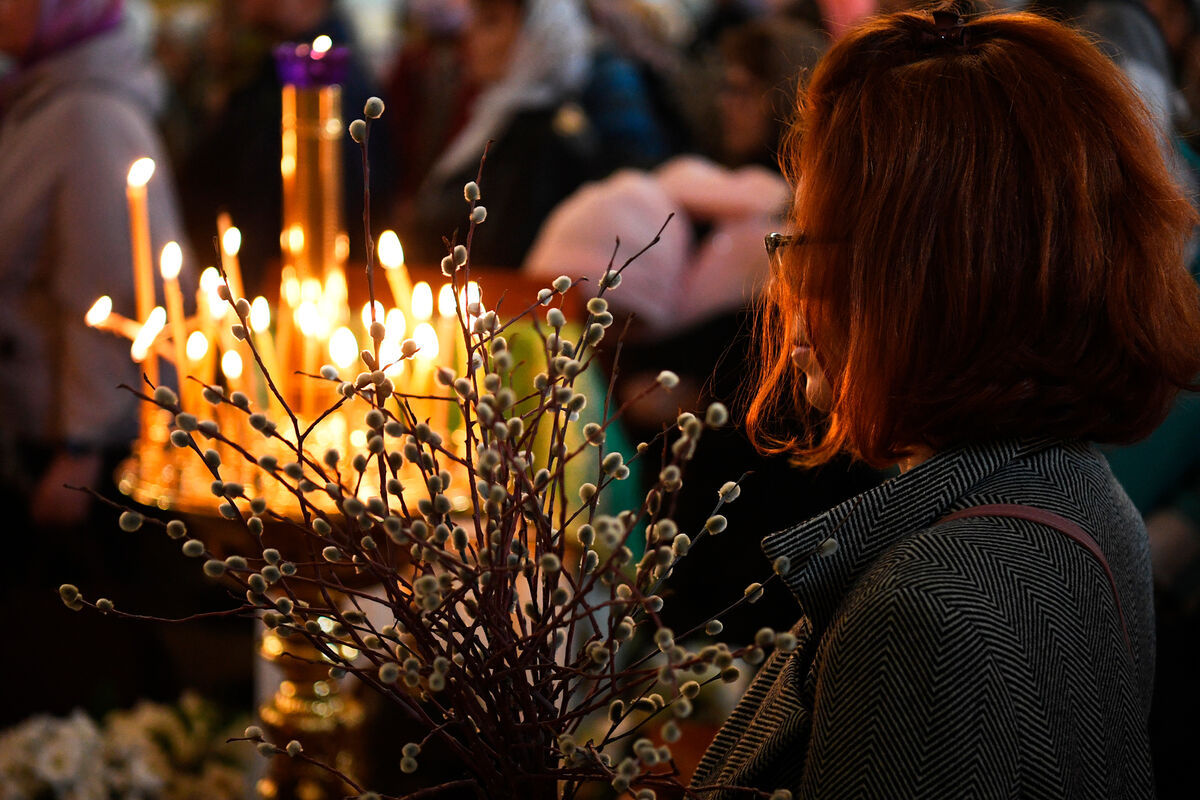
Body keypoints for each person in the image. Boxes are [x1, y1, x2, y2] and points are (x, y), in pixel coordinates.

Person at [693, 8, 1200, 797]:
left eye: (814, 238)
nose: (787, 279)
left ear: (938, 280)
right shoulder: (1074, 488)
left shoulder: (925, 614)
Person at [0, 0, 184, 526]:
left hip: (65, 441)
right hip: (37, 412)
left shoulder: (87, 115)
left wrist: (82, 448)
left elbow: (110, 290)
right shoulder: (44, 95)